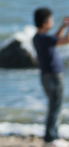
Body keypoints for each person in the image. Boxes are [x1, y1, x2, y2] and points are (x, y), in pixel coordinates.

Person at [33, 8, 69, 146]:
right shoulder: (44, 39)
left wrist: (63, 26)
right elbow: (66, 40)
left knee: (53, 106)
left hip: (45, 77)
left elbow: (55, 38)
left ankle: (49, 137)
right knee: (56, 107)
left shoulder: (38, 38)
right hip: (55, 76)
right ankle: (51, 138)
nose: (52, 22)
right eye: (51, 19)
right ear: (45, 22)